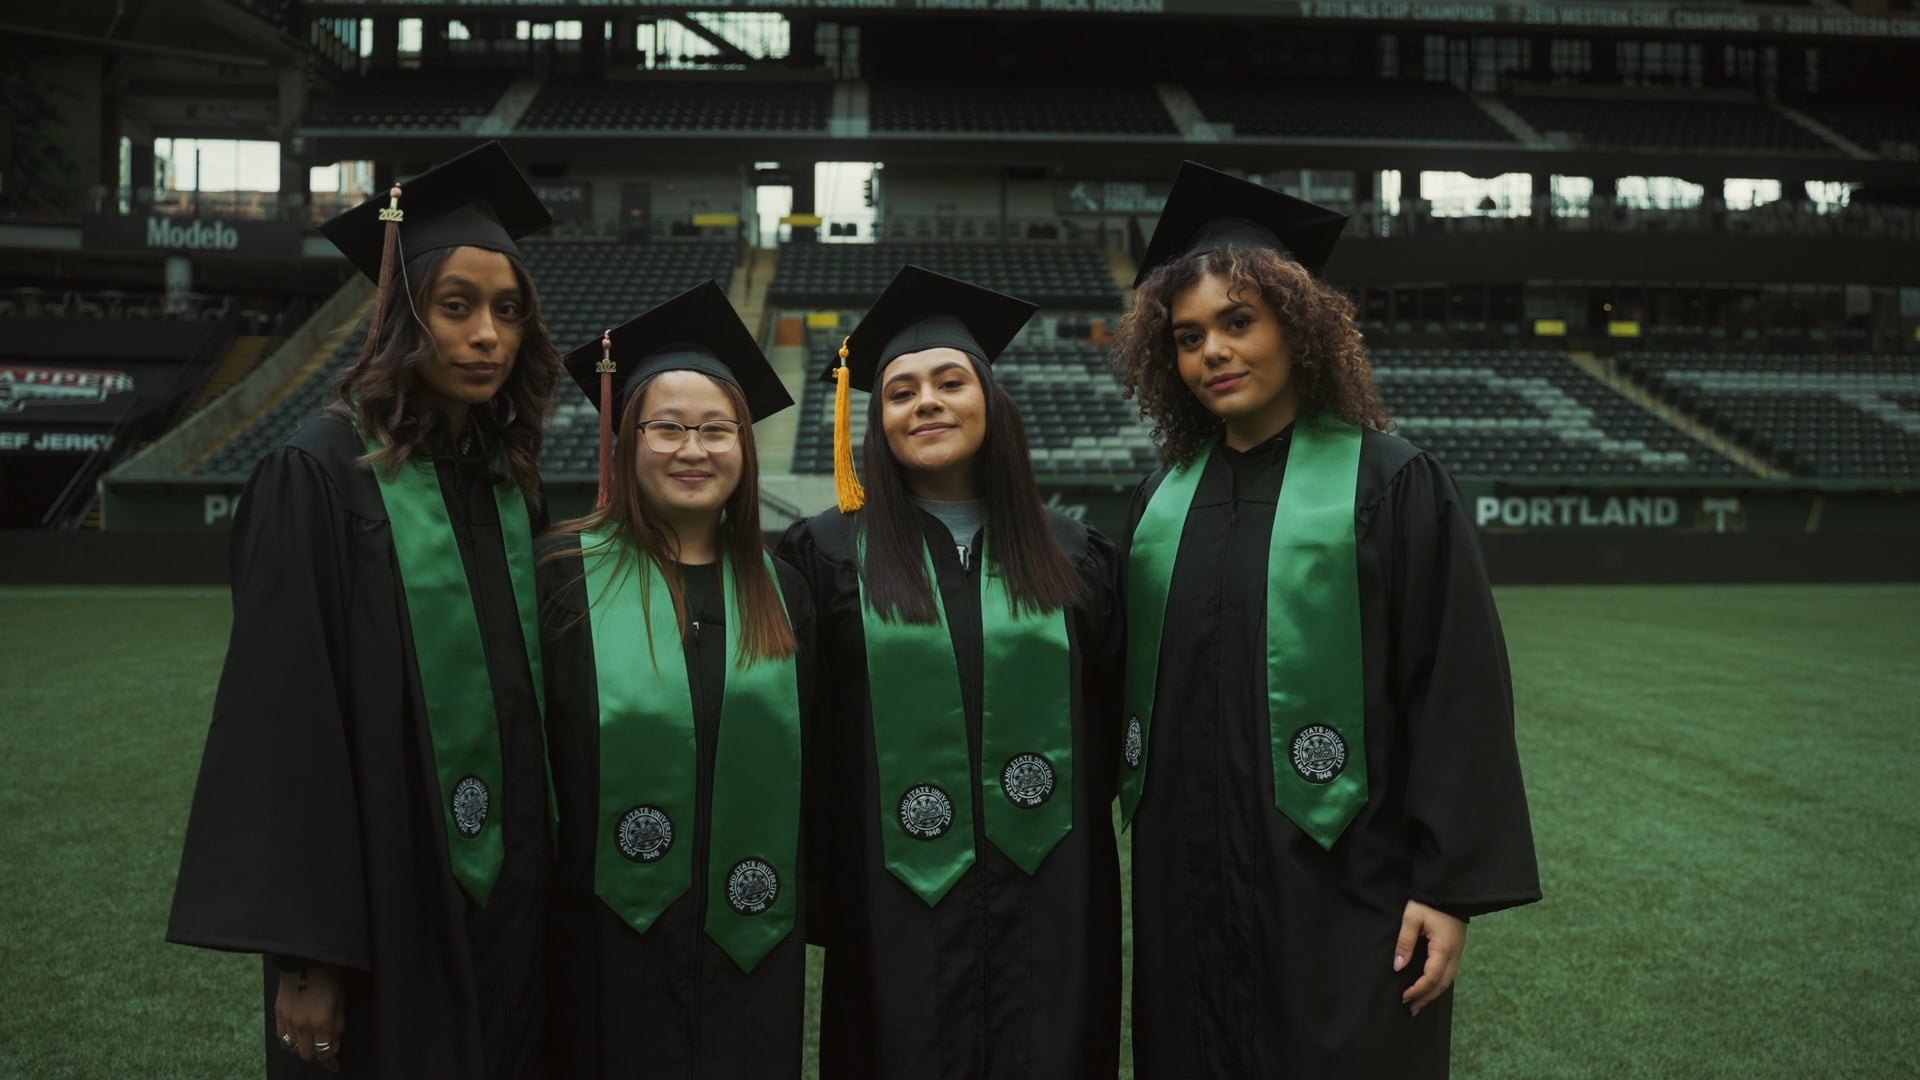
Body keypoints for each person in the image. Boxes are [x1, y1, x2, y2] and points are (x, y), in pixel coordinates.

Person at [1111, 161, 1541, 1078]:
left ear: (1296, 328)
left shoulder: (1387, 481)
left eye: (1238, 323)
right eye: (1188, 338)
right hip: (1187, 887)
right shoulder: (1160, 504)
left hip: (1345, 884)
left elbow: (1454, 685)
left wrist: (1447, 887)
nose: (1213, 354)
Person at [166, 141, 563, 1078]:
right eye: (456, 307)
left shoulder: (507, 482)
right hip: (387, 894)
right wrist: (310, 955)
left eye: (508, 312)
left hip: (513, 899)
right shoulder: (316, 473)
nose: (487, 338)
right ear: (399, 314)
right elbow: (282, 723)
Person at [780, 265, 1123, 1080]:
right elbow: (809, 739)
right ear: (877, 422)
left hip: (1053, 896)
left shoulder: (1075, 552)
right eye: (900, 392)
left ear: (991, 402)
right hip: (891, 897)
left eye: (948, 381)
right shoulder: (827, 555)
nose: (926, 401)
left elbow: (1111, 723)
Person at [536, 281, 816, 1079]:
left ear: (745, 446)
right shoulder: (561, 577)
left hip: (750, 944)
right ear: (626, 440)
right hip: (598, 943)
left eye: (716, 430)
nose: (692, 450)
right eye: (667, 427)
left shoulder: (783, 589)